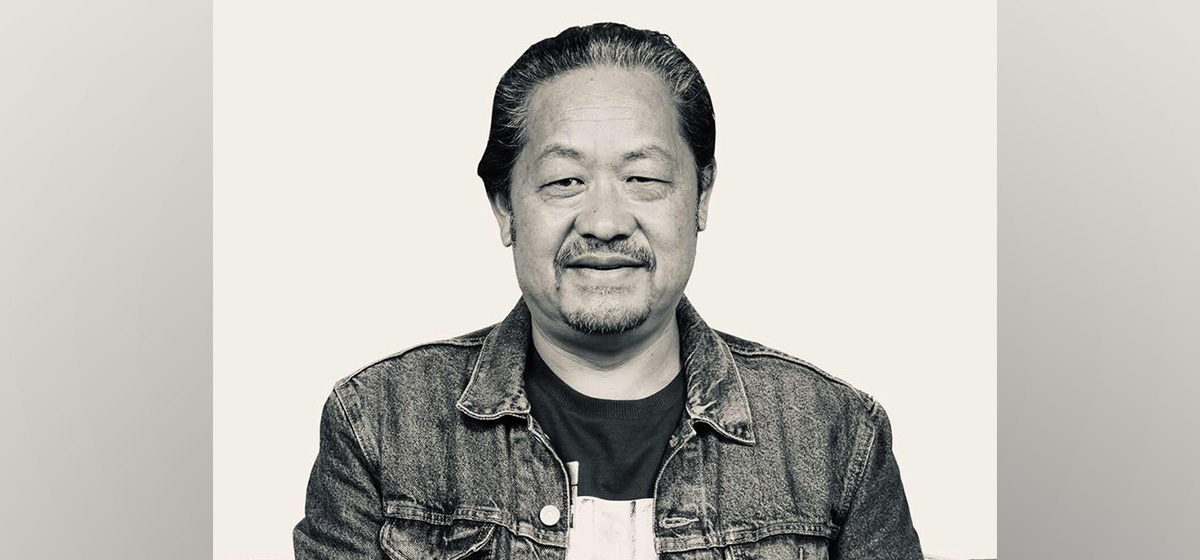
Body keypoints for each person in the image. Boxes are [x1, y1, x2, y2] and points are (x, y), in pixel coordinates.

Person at [294, 22, 922, 560]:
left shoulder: (837, 435)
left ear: (701, 197)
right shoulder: (379, 424)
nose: (604, 222)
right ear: (505, 208)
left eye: (643, 178)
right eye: (564, 181)